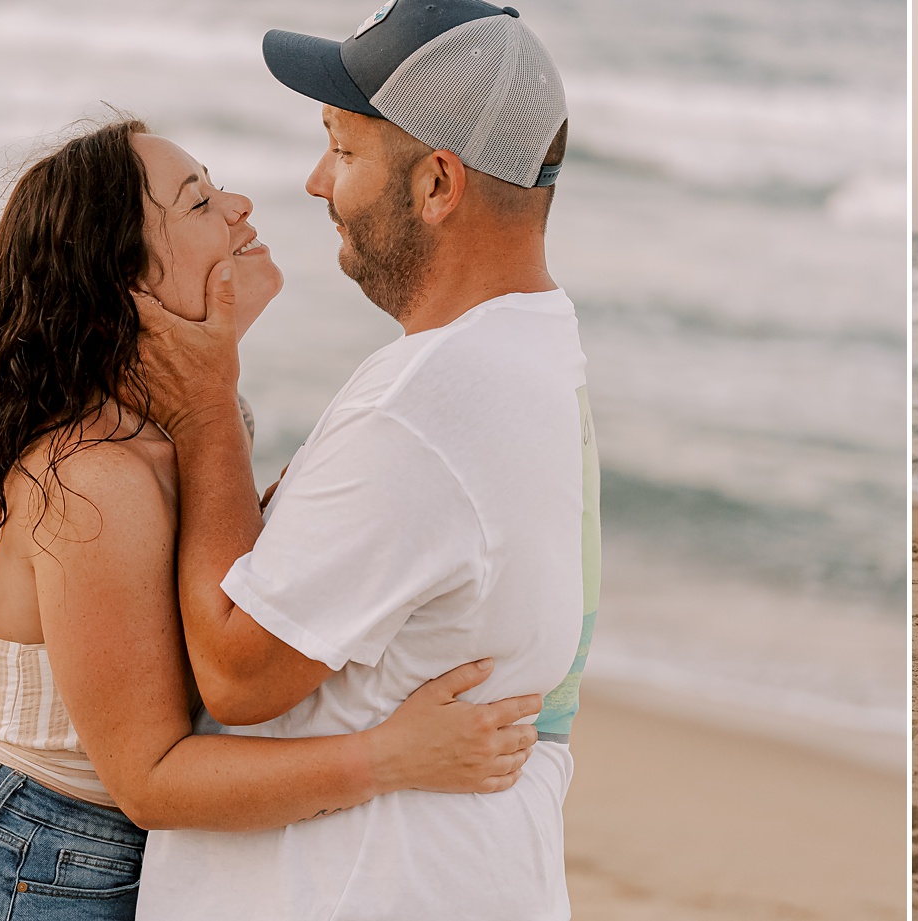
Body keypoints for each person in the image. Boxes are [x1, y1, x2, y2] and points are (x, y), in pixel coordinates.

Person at [0, 119, 542, 921]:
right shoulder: (96, 478)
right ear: (124, 285)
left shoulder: (190, 428)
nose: (238, 206)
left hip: (87, 860)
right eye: (198, 200)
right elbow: (151, 778)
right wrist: (390, 758)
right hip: (34, 868)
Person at [128, 1, 596, 918]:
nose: (313, 182)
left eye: (343, 150)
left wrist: (205, 405)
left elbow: (237, 672)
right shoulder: (538, 349)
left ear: (436, 184)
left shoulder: (428, 401)